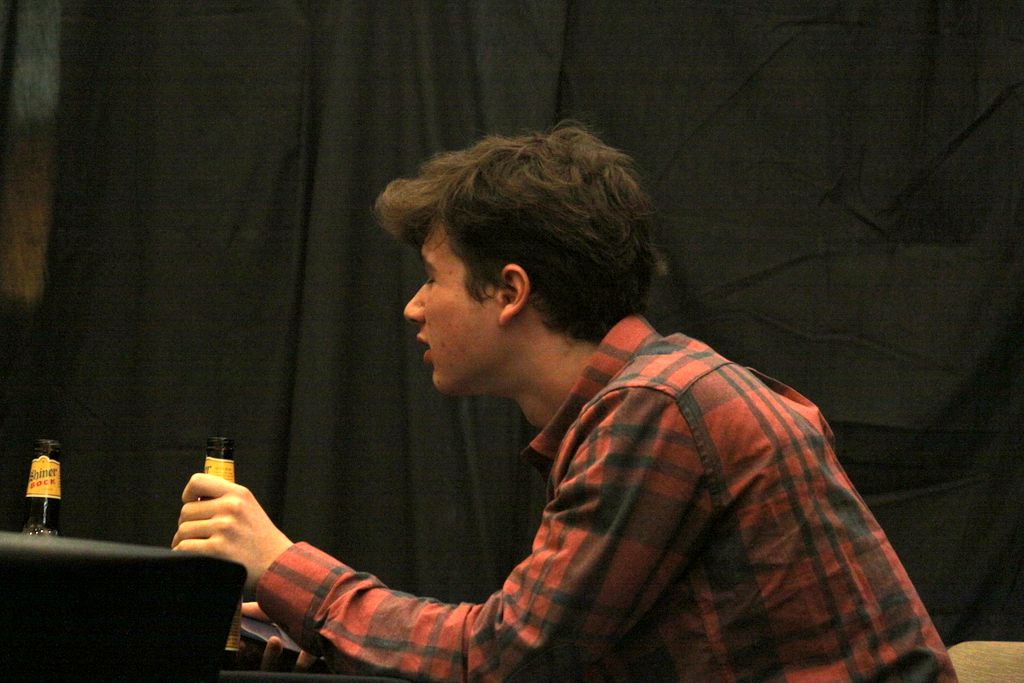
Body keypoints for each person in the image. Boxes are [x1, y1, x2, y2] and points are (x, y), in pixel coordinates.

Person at [173, 124, 957, 681]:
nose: (413, 307)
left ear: (510, 290)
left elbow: (502, 661)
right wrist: (318, 633)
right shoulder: (652, 398)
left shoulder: (661, 410)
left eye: (433, 278)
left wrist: (283, 566)